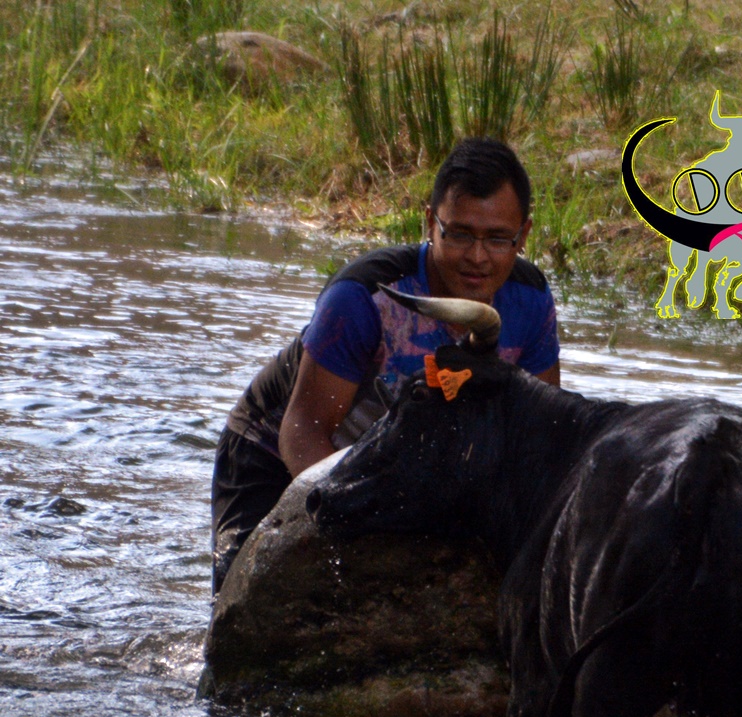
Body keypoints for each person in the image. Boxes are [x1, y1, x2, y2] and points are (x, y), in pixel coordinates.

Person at [211, 137, 561, 595]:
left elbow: (538, 439)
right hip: (271, 453)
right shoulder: (364, 298)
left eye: (498, 239)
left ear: (524, 234)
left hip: (383, 458)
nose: (478, 257)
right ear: (430, 222)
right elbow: (302, 431)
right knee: (244, 597)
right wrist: (362, 529)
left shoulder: (531, 302)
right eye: (459, 234)